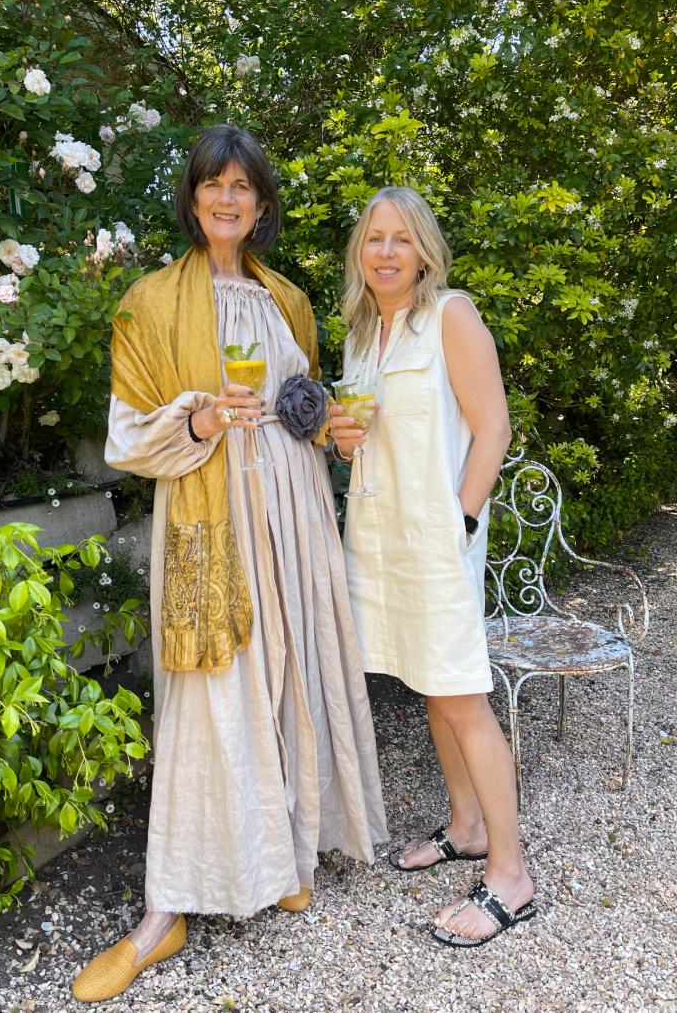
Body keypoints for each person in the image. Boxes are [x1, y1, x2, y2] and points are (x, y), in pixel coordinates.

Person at [72, 125, 387, 1002]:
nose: (228, 198)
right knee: (211, 691)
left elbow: (302, 404)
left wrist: (329, 424)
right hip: (212, 514)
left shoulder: (287, 299)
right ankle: (165, 909)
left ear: (260, 204)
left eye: (243, 186)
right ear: (194, 197)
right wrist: (201, 421)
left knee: (287, 670)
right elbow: (128, 436)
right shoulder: (149, 300)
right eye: (214, 184)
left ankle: (283, 851)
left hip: (289, 512)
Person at [331, 186, 535, 948]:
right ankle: (467, 823)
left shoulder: (451, 314)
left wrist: (465, 518)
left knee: (461, 696)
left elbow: (493, 428)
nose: (386, 251)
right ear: (360, 252)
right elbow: (360, 438)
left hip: (436, 541)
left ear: (423, 250)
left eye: (401, 238)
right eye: (374, 238)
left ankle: (511, 874)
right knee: (427, 681)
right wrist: (342, 439)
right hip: (379, 542)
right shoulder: (361, 333)